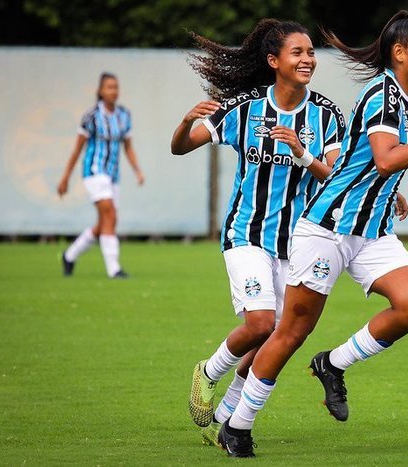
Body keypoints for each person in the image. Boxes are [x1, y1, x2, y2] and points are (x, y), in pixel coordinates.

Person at [216, 11, 408, 457]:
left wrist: (392, 191)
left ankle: (333, 364)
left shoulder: (406, 98)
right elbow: (383, 158)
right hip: (329, 228)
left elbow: (373, 166)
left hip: (372, 231)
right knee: (290, 332)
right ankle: (237, 426)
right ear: (400, 53)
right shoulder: (382, 93)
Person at [170, 19, 352, 448]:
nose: (307, 60)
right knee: (260, 323)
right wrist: (184, 121)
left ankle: (227, 417)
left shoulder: (326, 115)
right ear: (274, 61)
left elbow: (334, 177)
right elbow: (180, 147)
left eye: (311, 53)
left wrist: (303, 154)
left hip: (298, 242)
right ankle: (208, 371)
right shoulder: (246, 108)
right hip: (245, 234)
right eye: (298, 53)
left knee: (275, 338)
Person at [57, 72, 144, 279]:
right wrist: (65, 177)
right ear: (100, 91)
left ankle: (69, 255)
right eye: (109, 87)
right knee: (110, 215)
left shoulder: (124, 115)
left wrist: (137, 170)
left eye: (116, 87)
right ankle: (114, 269)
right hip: (94, 172)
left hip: (113, 175)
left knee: (105, 223)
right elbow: (78, 149)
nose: (113, 91)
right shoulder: (91, 117)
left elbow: (128, 147)